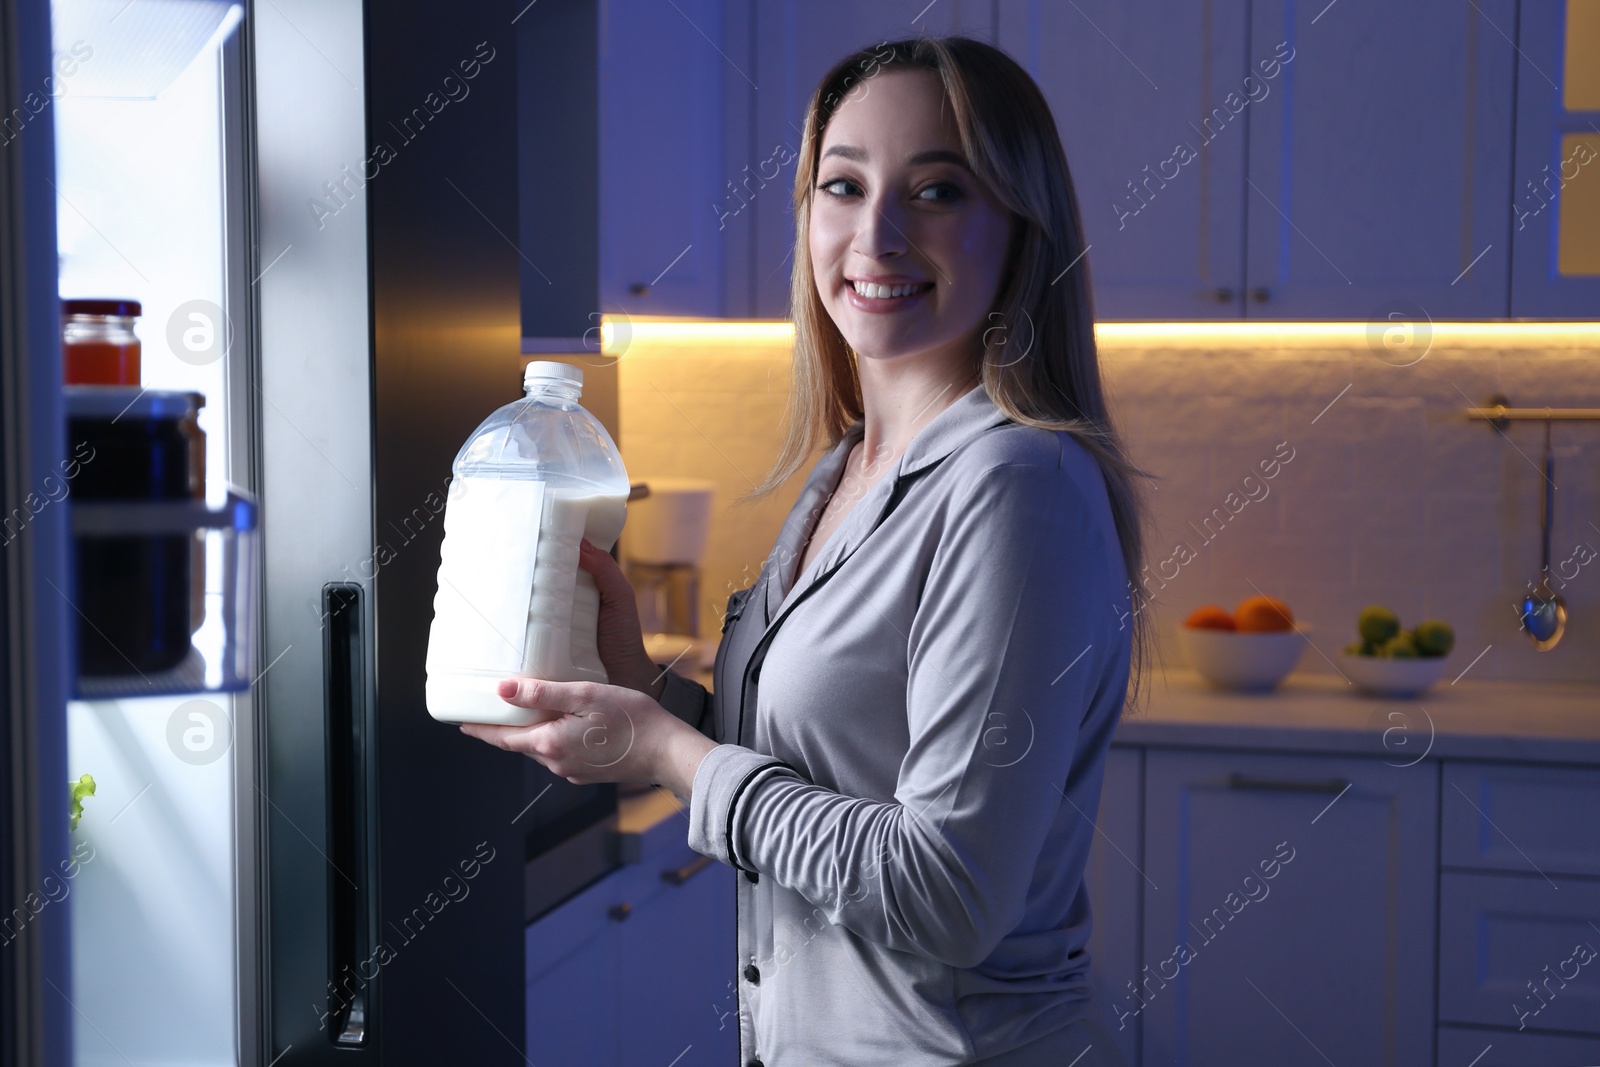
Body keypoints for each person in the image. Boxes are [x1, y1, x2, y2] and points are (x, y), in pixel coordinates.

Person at [461, 35, 1151, 1067]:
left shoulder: (1017, 485)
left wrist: (667, 753)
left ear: (1021, 228)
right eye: (842, 184)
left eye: (936, 190)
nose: (874, 233)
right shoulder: (842, 471)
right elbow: (820, 766)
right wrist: (645, 687)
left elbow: (947, 891)